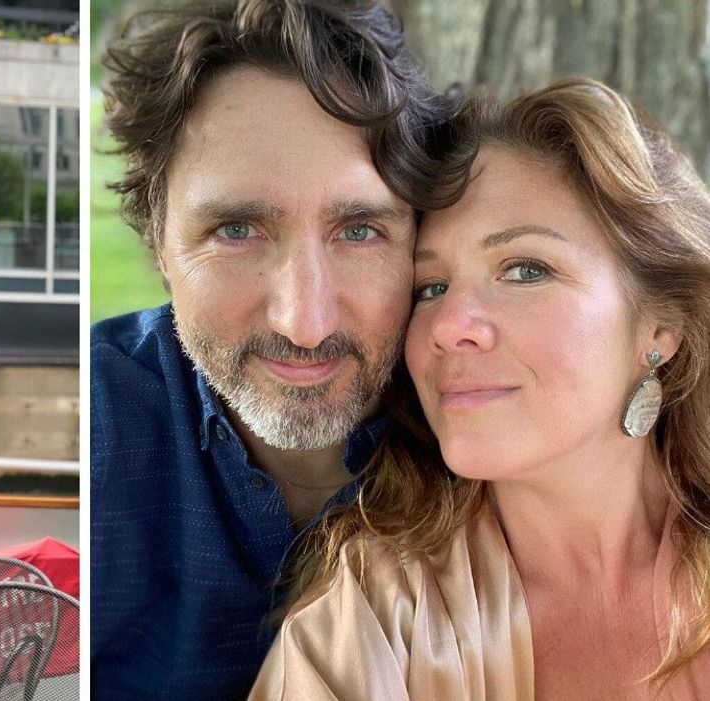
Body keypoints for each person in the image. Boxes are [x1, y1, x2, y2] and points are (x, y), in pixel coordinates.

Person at [253, 78, 710, 699]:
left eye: (525, 270)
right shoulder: (375, 623)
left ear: (661, 326)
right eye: (430, 288)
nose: (447, 326)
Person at [89, 0, 464, 697]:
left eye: (359, 231)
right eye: (237, 230)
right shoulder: (97, 424)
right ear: (158, 242)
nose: (304, 323)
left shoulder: (486, 434)